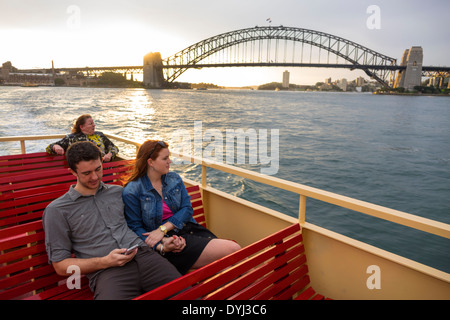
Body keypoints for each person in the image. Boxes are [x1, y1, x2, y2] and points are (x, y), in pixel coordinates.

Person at [42, 141, 181, 300]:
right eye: (87, 173)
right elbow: (60, 266)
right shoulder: (57, 210)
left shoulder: (118, 192)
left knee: (188, 298)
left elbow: (136, 227)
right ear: (73, 172)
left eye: (98, 169)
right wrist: (105, 262)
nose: (95, 177)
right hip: (107, 272)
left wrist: (161, 244)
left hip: (144, 256)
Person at [122, 140, 241, 275]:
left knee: (231, 267)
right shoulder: (132, 191)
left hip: (189, 230)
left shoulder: (174, 179)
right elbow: (135, 228)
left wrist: (162, 229)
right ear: (151, 162)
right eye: (165, 158)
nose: (170, 161)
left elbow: (187, 209)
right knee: (234, 249)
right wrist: (160, 245)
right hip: (169, 244)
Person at [46, 114, 119, 162]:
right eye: (90, 124)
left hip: (104, 168)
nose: (94, 125)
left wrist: (109, 155)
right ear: (82, 127)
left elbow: (114, 148)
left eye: (93, 123)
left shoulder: (99, 135)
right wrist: (56, 146)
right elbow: (50, 147)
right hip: (84, 172)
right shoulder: (72, 138)